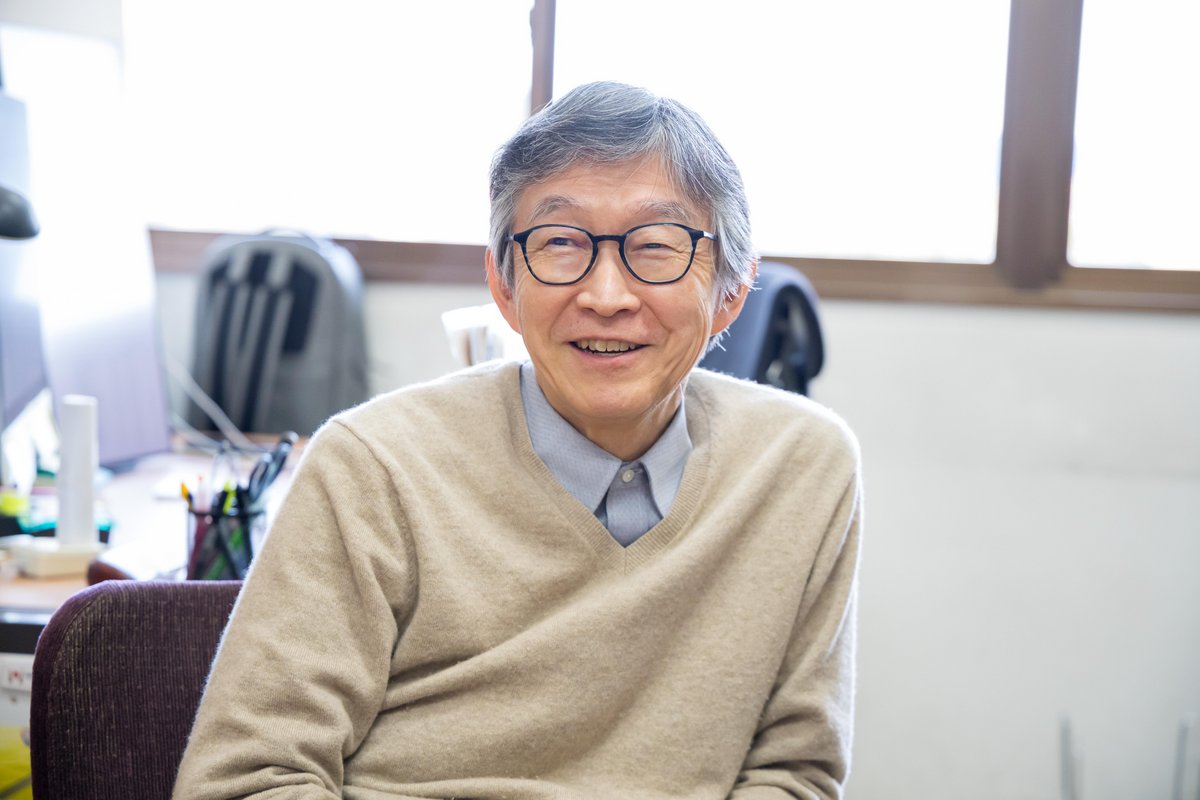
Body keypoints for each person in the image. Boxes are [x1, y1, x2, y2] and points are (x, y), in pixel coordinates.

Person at [173, 81, 863, 800]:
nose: (606, 296)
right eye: (561, 244)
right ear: (503, 285)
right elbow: (245, 780)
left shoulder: (802, 466)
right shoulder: (372, 466)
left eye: (656, 246)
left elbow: (794, 774)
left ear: (732, 290)